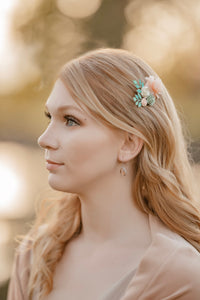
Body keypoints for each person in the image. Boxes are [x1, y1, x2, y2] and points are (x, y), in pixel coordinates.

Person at [7, 48, 200, 300]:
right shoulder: (34, 259)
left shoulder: (180, 275)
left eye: (70, 120)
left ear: (128, 144)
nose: (44, 139)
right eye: (49, 117)